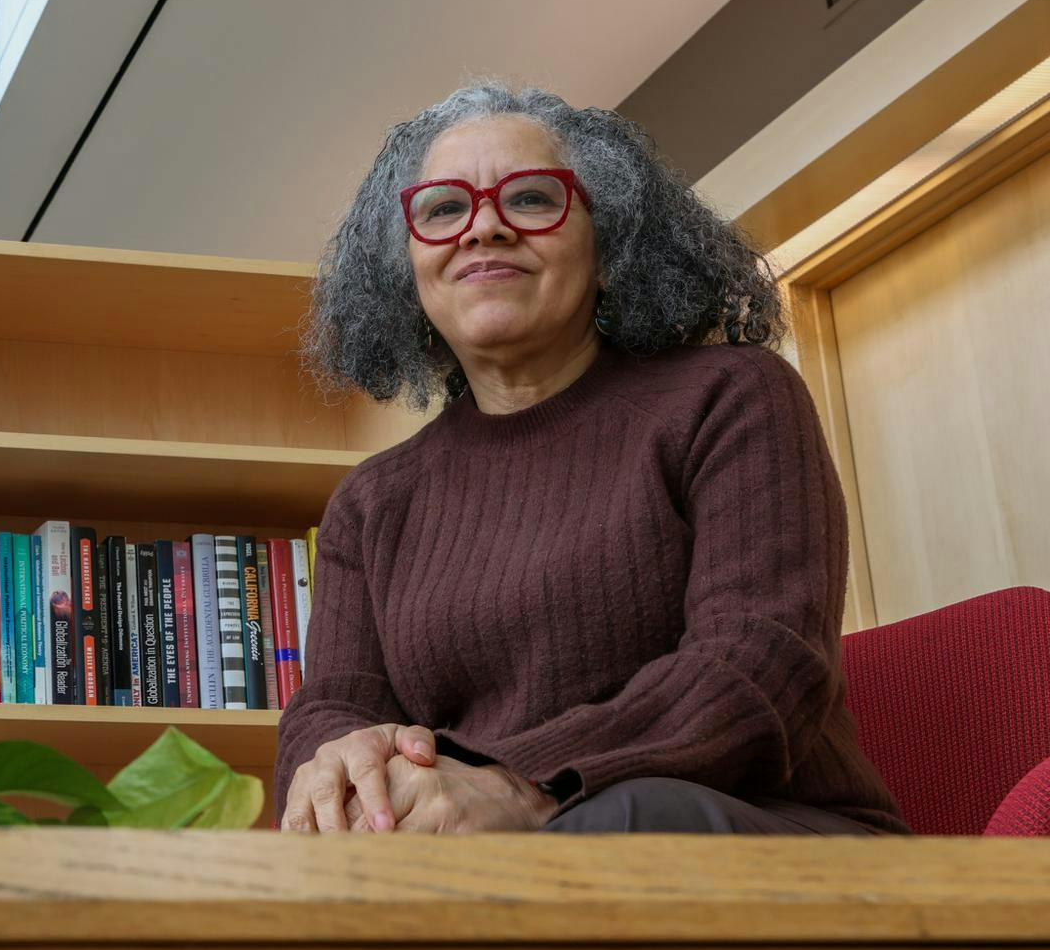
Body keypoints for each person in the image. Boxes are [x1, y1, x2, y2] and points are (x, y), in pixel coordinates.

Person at [276, 81, 906, 835]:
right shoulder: (371, 503)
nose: (484, 229)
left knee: (592, 833)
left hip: (769, 836)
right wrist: (345, 771)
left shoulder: (734, 396)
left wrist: (516, 782)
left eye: (533, 199)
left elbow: (756, 668)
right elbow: (333, 706)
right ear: (406, 275)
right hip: (486, 858)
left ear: (611, 246)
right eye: (444, 210)